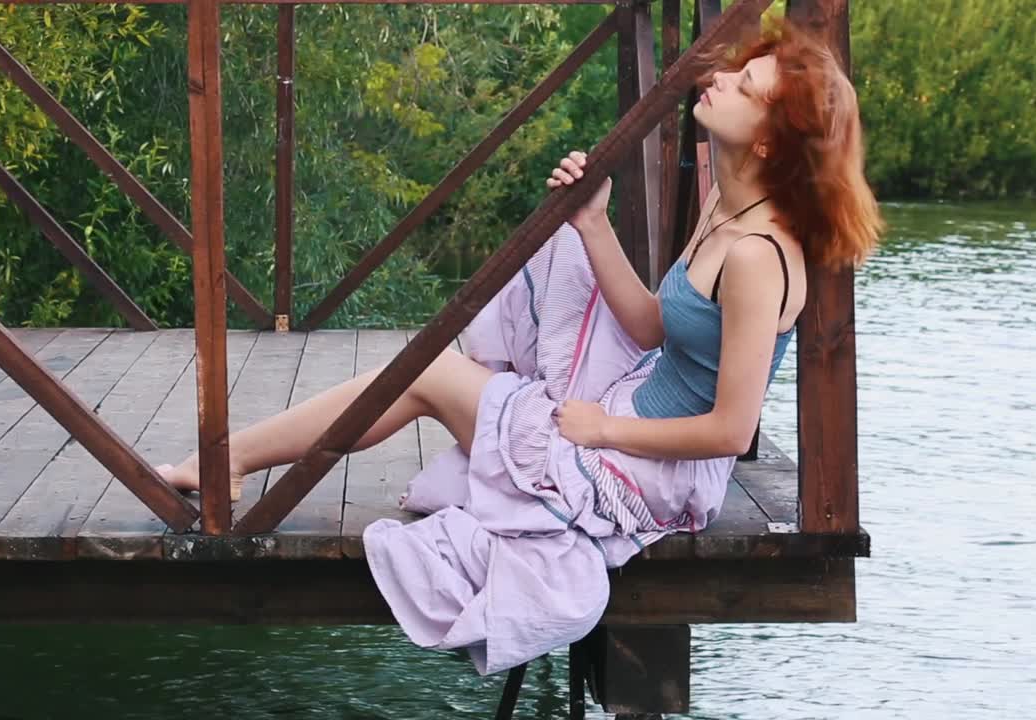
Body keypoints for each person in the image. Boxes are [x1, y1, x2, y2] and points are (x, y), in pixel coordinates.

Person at [157, 19, 882, 673]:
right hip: (634, 413)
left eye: (744, 84)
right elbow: (652, 329)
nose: (719, 77)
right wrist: (594, 222)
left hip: (659, 471)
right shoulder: (726, 204)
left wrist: (601, 428)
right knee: (532, 280)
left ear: (766, 140)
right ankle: (249, 457)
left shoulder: (758, 255)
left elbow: (731, 430)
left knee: (431, 378)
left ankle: (232, 460)